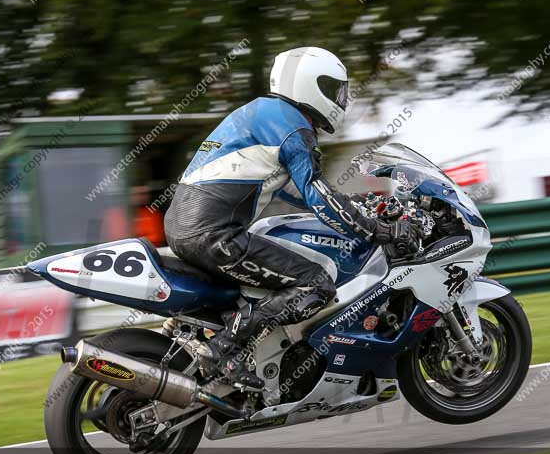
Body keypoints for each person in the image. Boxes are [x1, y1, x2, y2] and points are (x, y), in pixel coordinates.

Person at [164, 47, 420, 388]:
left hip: (188, 227)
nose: (340, 100)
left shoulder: (264, 113)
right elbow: (318, 197)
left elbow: (295, 193)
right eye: (334, 89)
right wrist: (380, 230)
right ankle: (224, 349)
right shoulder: (292, 126)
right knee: (315, 284)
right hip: (215, 234)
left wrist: (359, 203)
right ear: (308, 84)